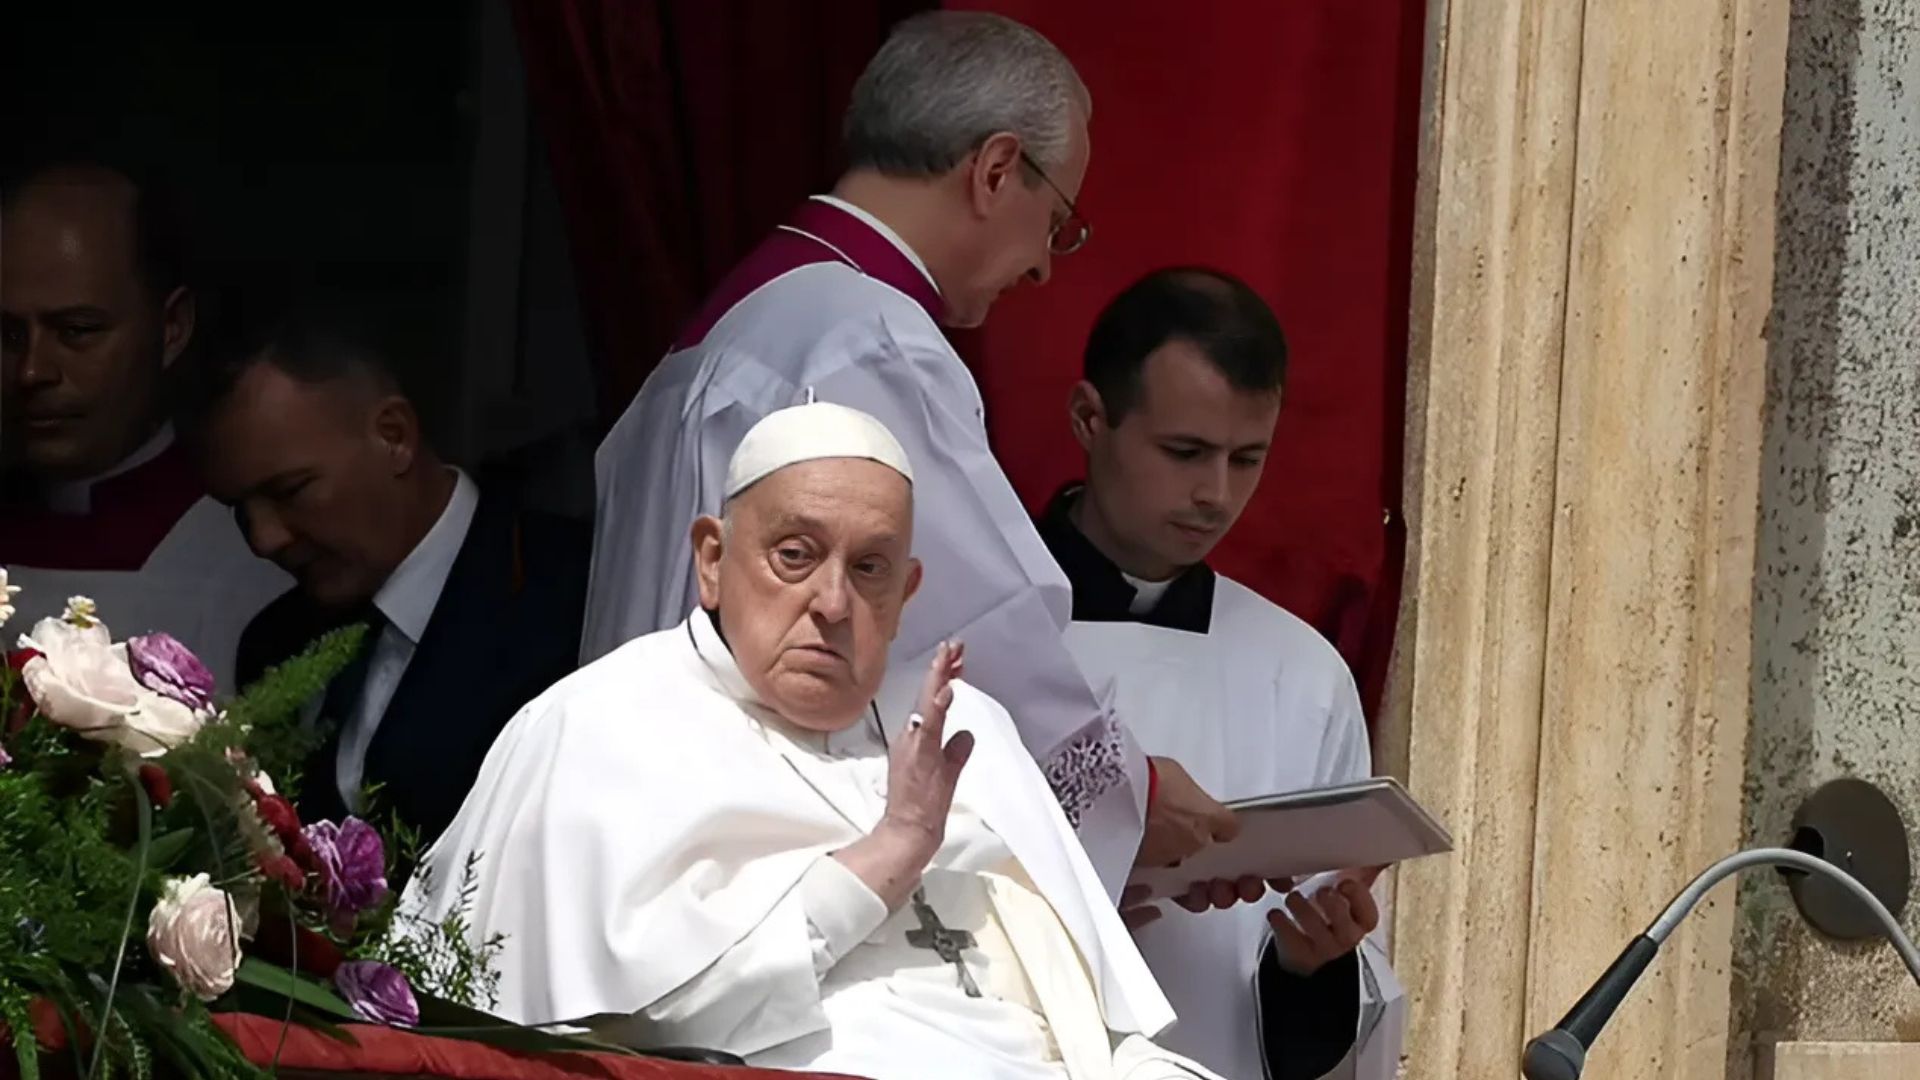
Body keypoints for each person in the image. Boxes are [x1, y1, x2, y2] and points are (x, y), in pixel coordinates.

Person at [579, 9, 1231, 895]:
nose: (1044, 267)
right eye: (1056, 222)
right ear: (995, 170)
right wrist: (1129, 795)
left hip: (639, 822)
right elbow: (967, 627)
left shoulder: (733, 329)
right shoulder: (865, 340)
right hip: (766, 851)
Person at [406, 402, 1234, 1080]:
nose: (833, 603)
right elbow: (627, 1038)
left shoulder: (967, 725)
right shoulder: (598, 725)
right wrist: (886, 857)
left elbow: (1092, 1023)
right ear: (712, 561)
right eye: (795, 556)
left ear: (907, 593)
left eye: (871, 568)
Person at [1035, 269, 1406, 1080]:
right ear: (1090, 419)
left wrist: (1313, 966)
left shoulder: (1300, 674)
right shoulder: (974, 626)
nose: (1216, 494)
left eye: (1247, 459)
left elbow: (1333, 1019)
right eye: (1185, 453)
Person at [191, 290, 591, 849]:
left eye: (290, 491)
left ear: (393, 435)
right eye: (239, 509)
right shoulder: (272, 645)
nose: (263, 538)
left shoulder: (580, 600)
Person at [0, 160, 287, 686]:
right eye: (9, 335)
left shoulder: (262, 554)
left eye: (77, 330)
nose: (32, 371)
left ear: (171, 326)